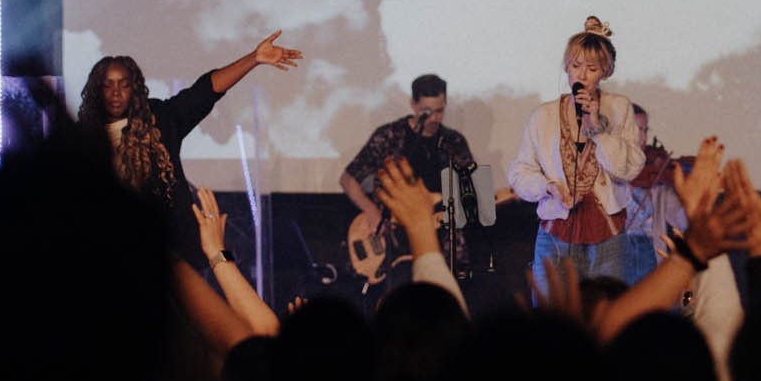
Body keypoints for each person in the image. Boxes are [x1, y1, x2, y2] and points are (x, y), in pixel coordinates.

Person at [78, 30, 302, 252]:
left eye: (124, 84)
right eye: (108, 85)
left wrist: (253, 58)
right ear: (97, 90)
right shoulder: (83, 138)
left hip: (173, 251)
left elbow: (205, 91)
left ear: (134, 88)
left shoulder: (157, 121)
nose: (116, 93)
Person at [507, 16, 646, 287]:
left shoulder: (619, 108)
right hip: (556, 231)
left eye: (591, 69)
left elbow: (628, 168)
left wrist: (597, 128)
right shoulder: (543, 116)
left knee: (608, 306)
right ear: (566, 68)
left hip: (608, 232)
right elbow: (520, 172)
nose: (581, 76)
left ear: (605, 71)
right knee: (553, 309)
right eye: (575, 66)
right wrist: (549, 187)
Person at [340, 73, 476, 288]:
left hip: (441, 243)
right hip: (391, 242)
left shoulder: (454, 142)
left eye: (439, 111)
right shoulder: (389, 136)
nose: (434, 119)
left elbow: (471, 192)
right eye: (426, 112)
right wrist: (371, 210)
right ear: (413, 104)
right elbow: (348, 179)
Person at [621, 102, 689, 283]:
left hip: (648, 255)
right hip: (616, 255)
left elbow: (683, 221)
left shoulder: (658, 181)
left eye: (645, 131)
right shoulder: (607, 172)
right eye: (638, 131)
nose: (644, 138)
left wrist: (686, 195)